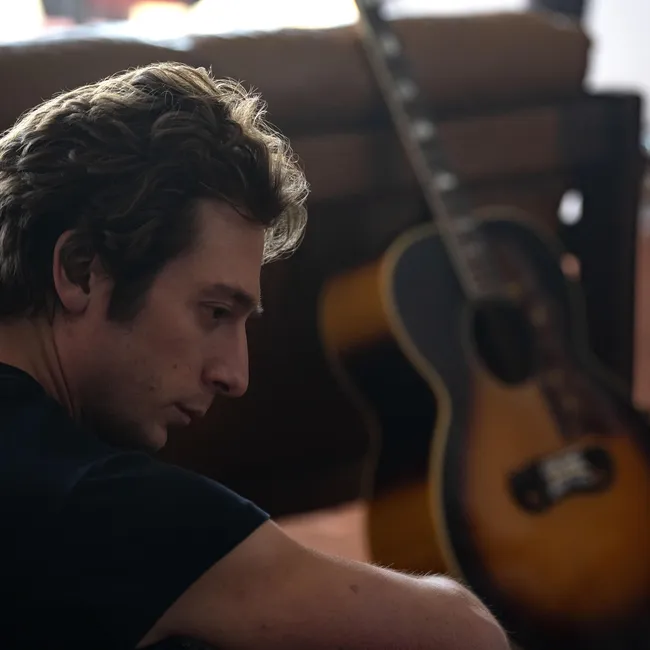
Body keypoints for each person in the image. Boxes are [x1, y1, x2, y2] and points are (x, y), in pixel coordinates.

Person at [0, 61, 509, 650]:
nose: (235, 375)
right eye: (215, 311)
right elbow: (465, 633)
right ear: (81, 270)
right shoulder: (93, 504)